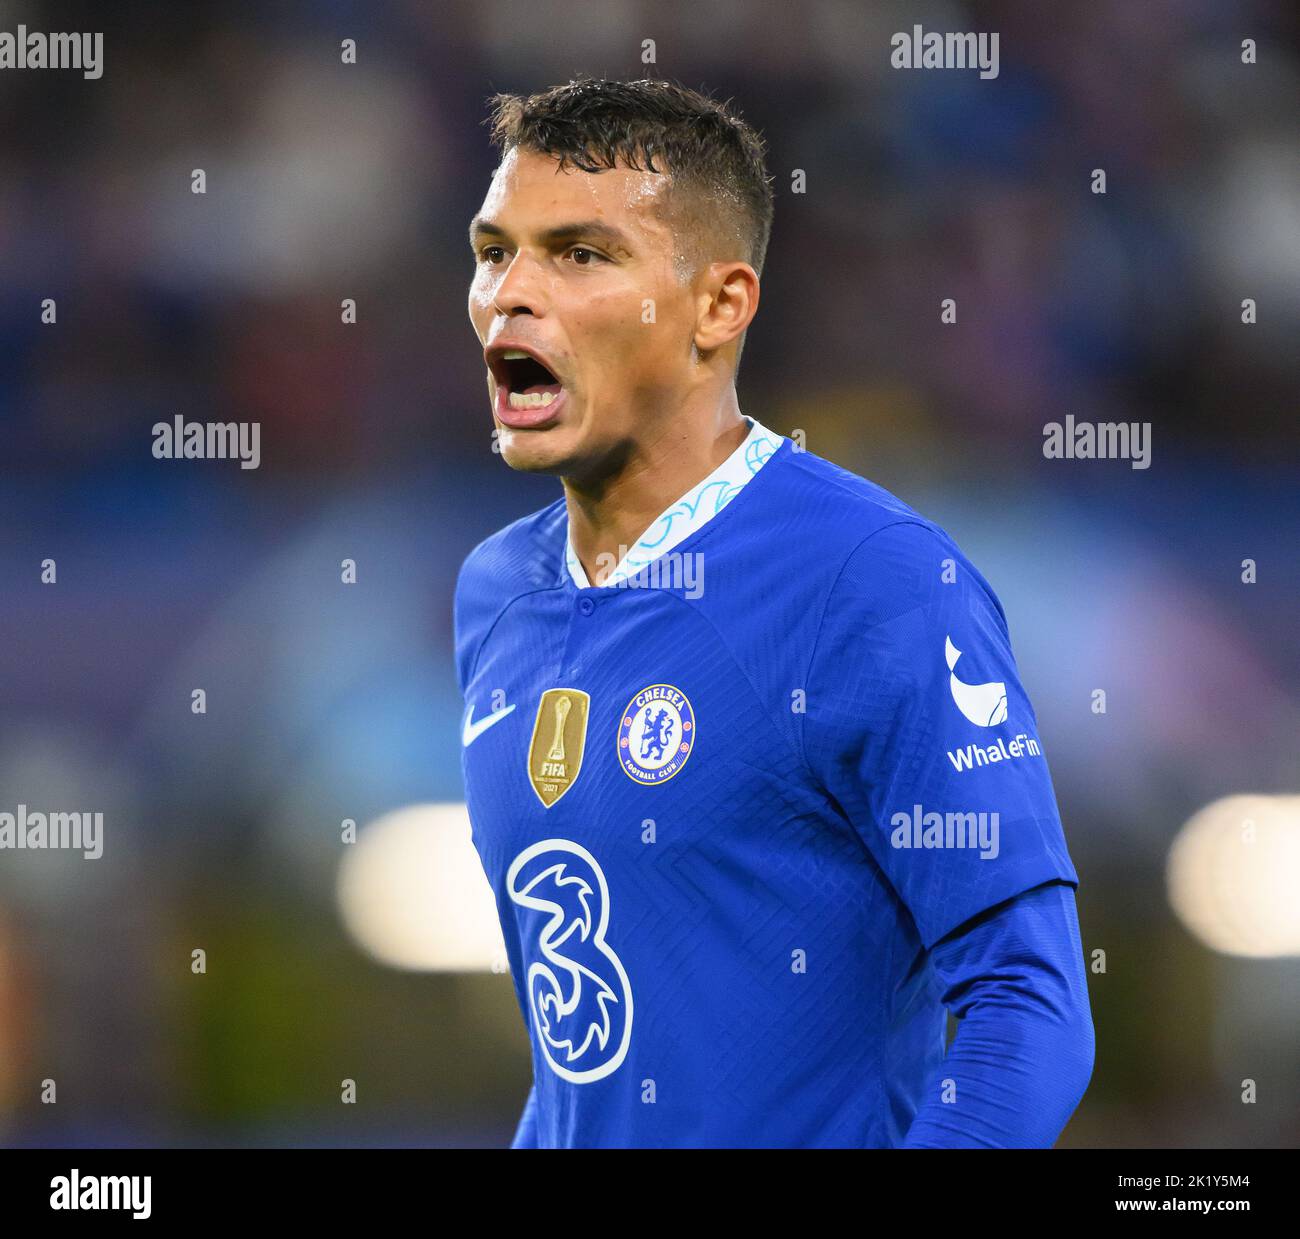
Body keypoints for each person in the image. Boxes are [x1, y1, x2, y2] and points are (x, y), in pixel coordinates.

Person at [455, 77, 1093, 1147]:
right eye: (492, 251)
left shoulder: (870, 581)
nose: (511, 293)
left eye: (579, 254)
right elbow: (587, 1069)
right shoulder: (495, 595)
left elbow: (1028, 1004)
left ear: (719, 304)